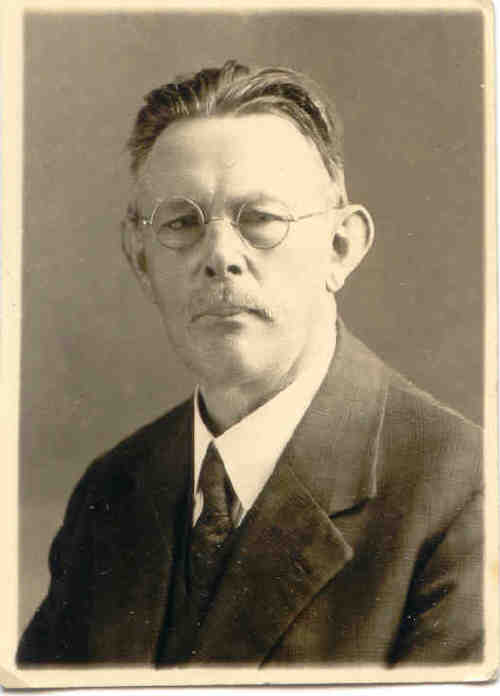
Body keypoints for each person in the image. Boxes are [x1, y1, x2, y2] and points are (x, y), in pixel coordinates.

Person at [17, 60, 483, 667]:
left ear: (340, 247)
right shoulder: (111, 492)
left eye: (260, 219)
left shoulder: (463, 492)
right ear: (140, 258)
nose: (220, 256)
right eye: (181, 223)